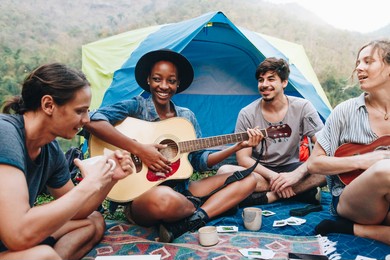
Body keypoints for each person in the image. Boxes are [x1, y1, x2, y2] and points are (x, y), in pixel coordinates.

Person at [84, 49, 264, 242]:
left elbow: (199, 161)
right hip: (145, 196)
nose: (164, 86)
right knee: (164, 198)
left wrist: (236, 147)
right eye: (157, 79)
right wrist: (140, 150)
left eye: (171, 81)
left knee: (249, 179)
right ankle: (206, 207)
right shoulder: (137, 107)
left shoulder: (186, 117)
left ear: (178, 84)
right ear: (148, 80)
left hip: (184, 190)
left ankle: (193, 219)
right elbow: (92, 119)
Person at [0, 63, 134, 260]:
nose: (87, 120)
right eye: (80, 111)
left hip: (10, 237)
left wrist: (109, 178)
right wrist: (89, 184)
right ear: (48, 105)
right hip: (14, 234)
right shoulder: (6, 134)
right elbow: (17, 235)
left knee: (93, 221)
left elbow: (77, 211)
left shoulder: (50, 149)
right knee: (43, 257)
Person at [307, 40, 390, 245]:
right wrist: (365, 160)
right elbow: (314, 163)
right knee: (385, 169)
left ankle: (353, 230)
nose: (359, 67)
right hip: (350, 199)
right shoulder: (345, 111)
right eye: (358, 62)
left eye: (368, 61)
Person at [218, 57, 326, 206]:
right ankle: (297, 192)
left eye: (271, 79)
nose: (264, 85)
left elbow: (323, 145)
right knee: (224, 171)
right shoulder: (247, 113)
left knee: (329, 169)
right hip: (260, 171)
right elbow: (243, 159)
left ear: (284, 82)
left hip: (292, 169)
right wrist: (275, 177)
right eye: (261, 80)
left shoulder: (303, 107)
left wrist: (296, 175)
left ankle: (270, 197)